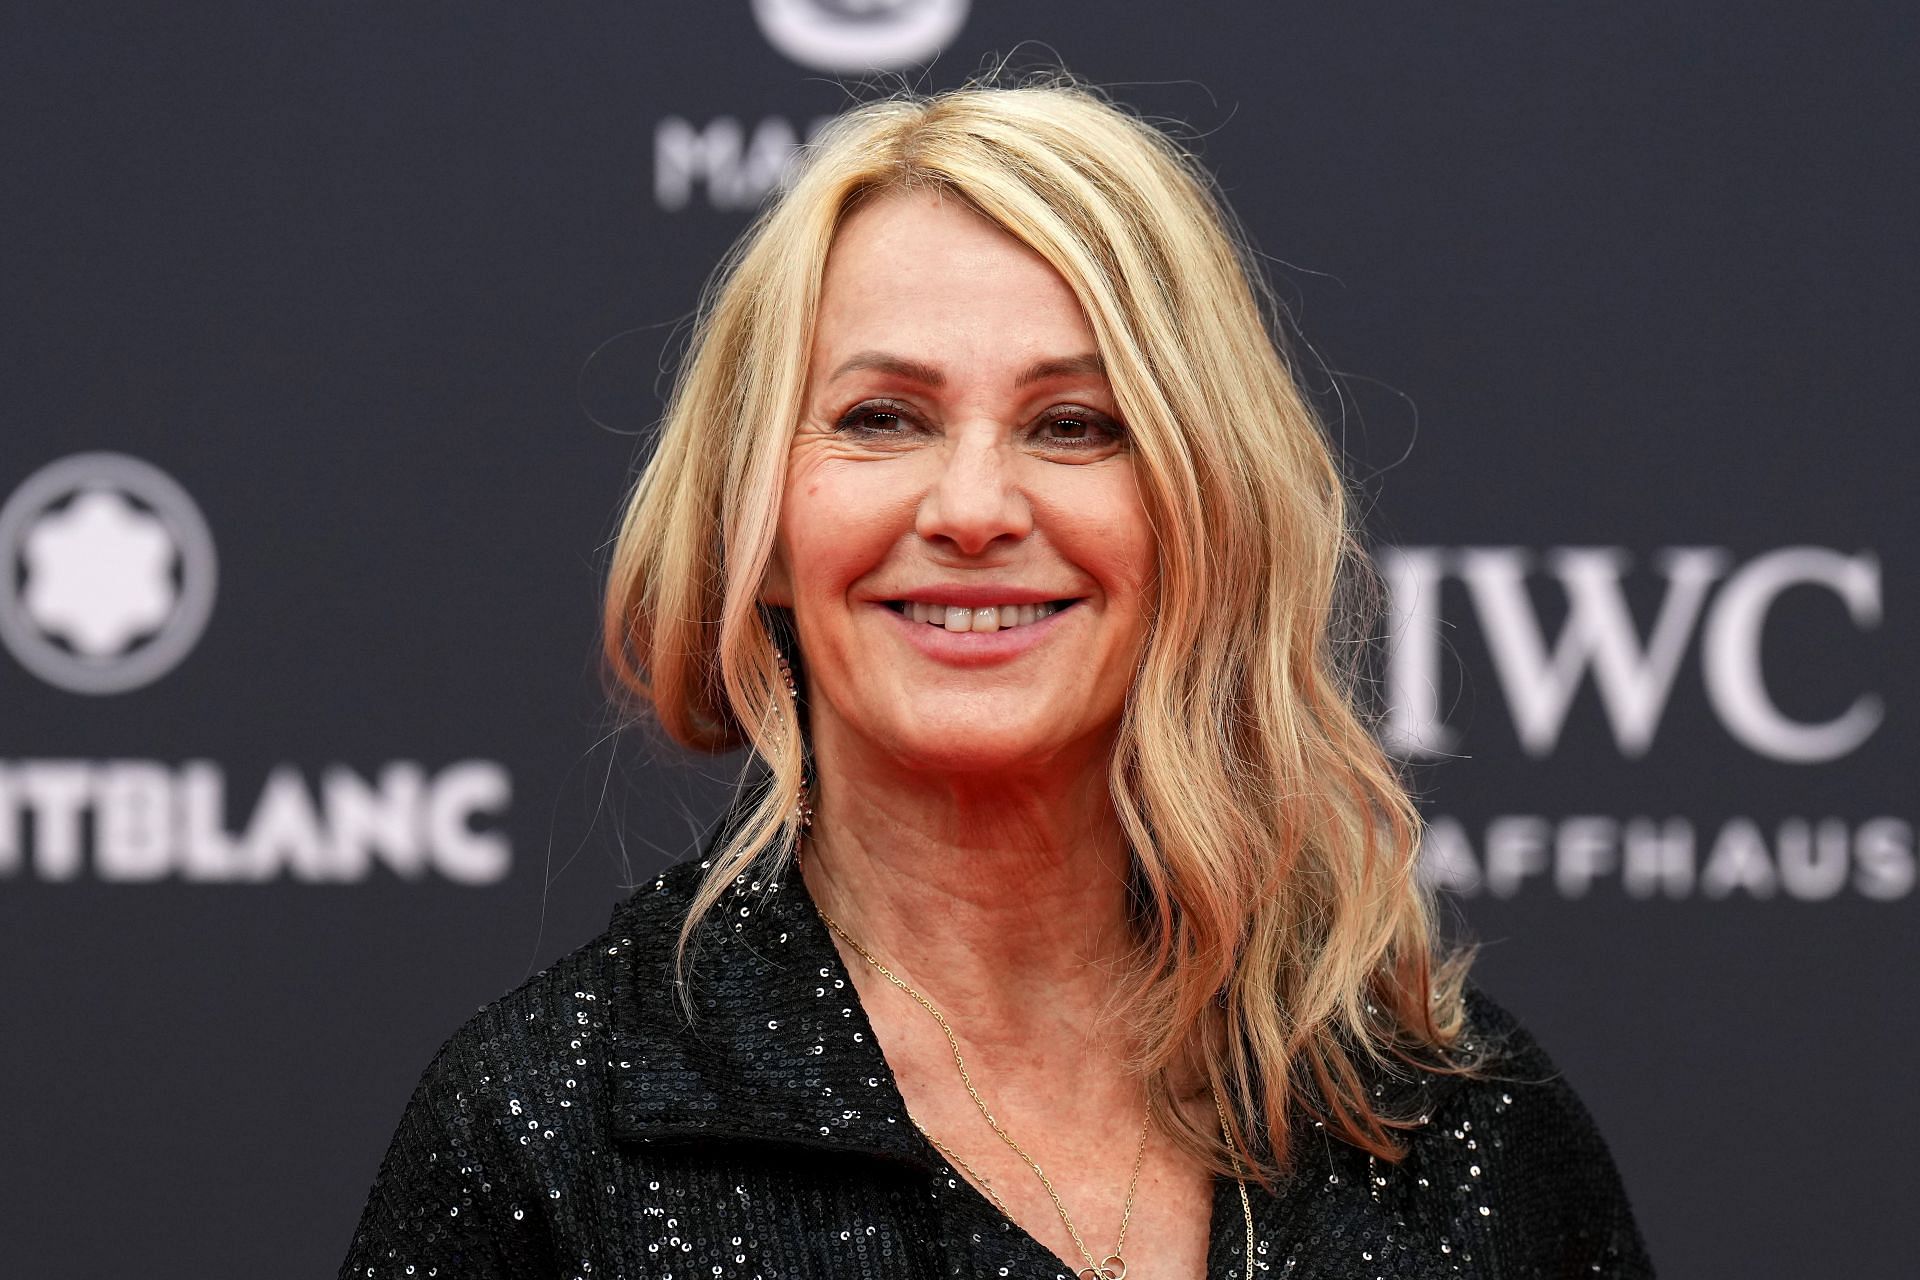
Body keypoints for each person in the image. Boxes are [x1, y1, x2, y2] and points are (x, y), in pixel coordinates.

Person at [339, 80, 1652, 1279]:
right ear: (762, 526)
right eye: (881, 419)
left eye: (1073, 425)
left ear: (1203, 516)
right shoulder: (550, 1139)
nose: (973, 507)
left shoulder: (1448, 1129)